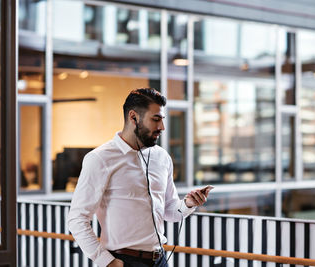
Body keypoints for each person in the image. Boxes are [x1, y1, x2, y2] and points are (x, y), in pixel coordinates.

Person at [68, 88, 212, 267]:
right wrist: (106, 261)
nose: (162, 127)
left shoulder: (162, 157)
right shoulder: (100, 159)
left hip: (159, 259)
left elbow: (170, 212)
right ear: (133, 117)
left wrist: (189, 204)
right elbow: (77, 218)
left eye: (162, 120)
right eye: (155, 119)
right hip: (122, 261)